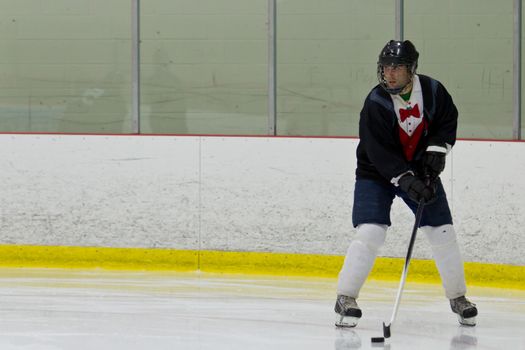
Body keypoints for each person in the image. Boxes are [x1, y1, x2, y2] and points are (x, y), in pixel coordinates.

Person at [334, 40, 478, 328]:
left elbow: (446, 122)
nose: (389, 74)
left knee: (443, 231)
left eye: (397, 68)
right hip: (376, 172)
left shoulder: (434, 91)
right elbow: (377, 151)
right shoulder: (375, 102)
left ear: (411, 69)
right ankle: (345, 297)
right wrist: (405, 179)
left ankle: (459, 298)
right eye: (386, 68)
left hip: (420, 171)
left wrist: (437, 152)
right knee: (371, 232)